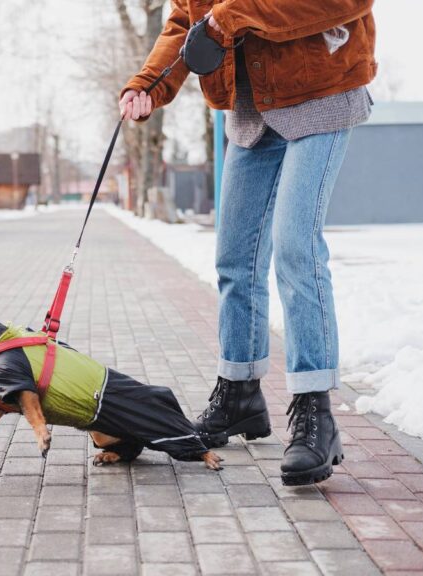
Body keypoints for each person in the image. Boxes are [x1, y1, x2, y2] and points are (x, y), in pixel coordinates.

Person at [119, 0, 376, 485]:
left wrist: (229, 17)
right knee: (235, 259)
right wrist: (150, 82)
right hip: (250, 106)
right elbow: (184, 20)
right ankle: (239, 393)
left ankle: (314, 410)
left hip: (319, 90)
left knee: (296, 246)